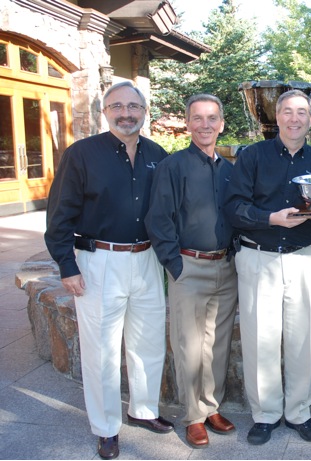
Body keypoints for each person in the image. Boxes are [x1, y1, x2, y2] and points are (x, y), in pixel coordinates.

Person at [44, 81, 173, 460]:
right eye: (117, 106)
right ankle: (105, 427)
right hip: (99, 261)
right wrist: (67, 266)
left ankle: (144, 409)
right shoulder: (82, 154)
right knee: (100, 348)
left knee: (148, 341)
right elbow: (59, 216)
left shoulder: (157, 154)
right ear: (105, 111)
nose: (126, 113)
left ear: (144, 111)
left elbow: (167, 210)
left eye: (133, 106)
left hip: (147, 259)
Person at [226, 89, 311, 446]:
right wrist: (271, 218)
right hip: (260, 256)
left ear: (309, 118)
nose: (294, 118)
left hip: (305, 257)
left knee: (304, 339)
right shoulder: (252, 156)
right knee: (261, 339)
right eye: (287, 111)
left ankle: (300, 412)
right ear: (277, 116)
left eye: (301, 112)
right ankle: (266, 414)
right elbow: (234, 207)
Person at [145, 94, 238, 449]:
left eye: (211, 118)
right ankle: (194, 416)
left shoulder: (230, 170)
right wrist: (175, 264)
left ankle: (212, 407)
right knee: (190, 346)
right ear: (188, 124)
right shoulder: (174, 166)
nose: (205, 125)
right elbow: (159, 219)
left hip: (225, 268)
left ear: (221, 124)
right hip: (189, 267)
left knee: (218, 344)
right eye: (197, 118)